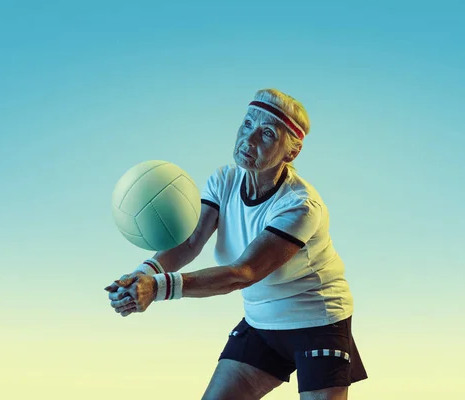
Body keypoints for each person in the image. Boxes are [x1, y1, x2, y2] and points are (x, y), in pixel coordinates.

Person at [105, 89, 368, 399]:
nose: (250, 139)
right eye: (247, 124)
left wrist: (157, 287)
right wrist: (142, 274)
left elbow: (243, 272)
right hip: (261, 323)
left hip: (318, 323)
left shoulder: (300, 205)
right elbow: (190, 242)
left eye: (267, 134)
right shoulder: (223, 180)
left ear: (291, 152)